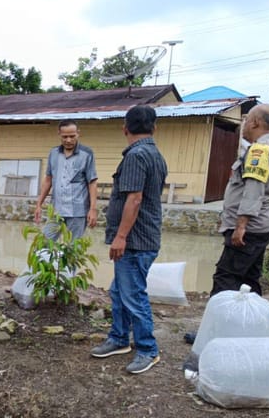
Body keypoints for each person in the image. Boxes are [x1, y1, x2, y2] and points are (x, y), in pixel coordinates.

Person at [90, 105, 167, 375]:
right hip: (141, 237)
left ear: (125, 128)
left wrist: (120, 236)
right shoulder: (155, 154)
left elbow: (134, 199)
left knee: (133, 295)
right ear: (154, 128)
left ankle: (148, 349)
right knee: (119, 291)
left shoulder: (137, 156)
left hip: (135, 240)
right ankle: (120, 338)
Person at [213, 104, 269, 295]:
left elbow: (254, 190)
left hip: (250, 229)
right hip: (262, 225)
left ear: (255, 123)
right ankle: (253, 322)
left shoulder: (259, 150)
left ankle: (219, 324)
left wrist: (241, 226)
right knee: (249, 279)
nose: (243, 125)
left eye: (245, 120)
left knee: (226, 278)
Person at [34, 119, 98, 240]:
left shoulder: (87, 154)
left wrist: (93, 209)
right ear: (59, 134)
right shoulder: (53, 153)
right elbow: (48, 179)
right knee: (44, 246)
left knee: (72, 249)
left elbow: (92, 182)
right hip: (56, 210)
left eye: (72, 136)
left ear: (78, 133)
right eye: (65, 137)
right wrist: (39, 204)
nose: (68, 140)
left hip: (78, 212)